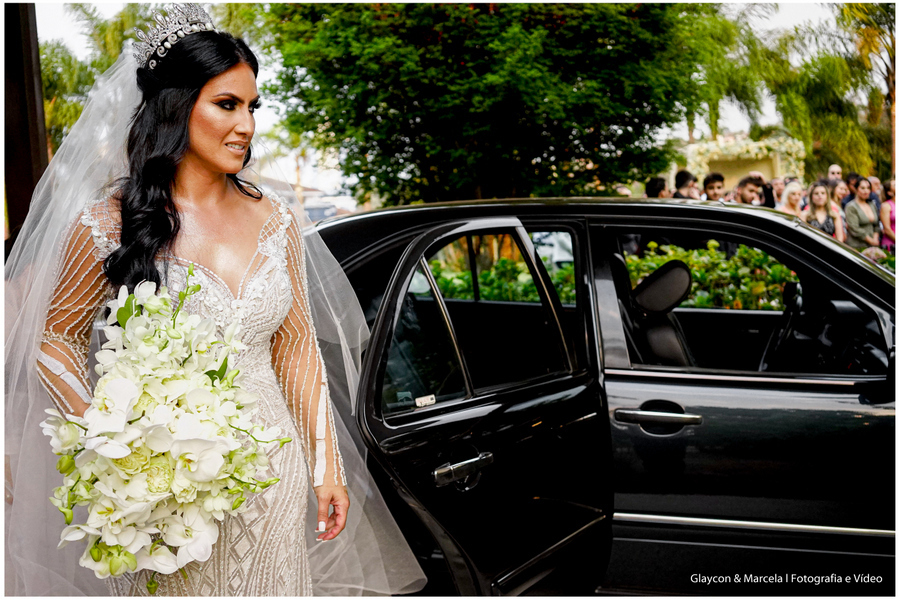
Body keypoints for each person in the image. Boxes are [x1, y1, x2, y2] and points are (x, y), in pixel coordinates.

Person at [4, 5, 426, 596]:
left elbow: (298, 345)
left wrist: (326, 462)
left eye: (252, 107)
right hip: (164, 496)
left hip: (271, 478)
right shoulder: (107, 224)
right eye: (227, 104)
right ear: (177, 108)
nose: (246, 125)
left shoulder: (276, 220)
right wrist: (113, 437)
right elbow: (56, 339)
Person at [844, 177, 881, 251]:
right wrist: (870, 240)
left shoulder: (871, 204)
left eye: (868, 188)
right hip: (857, 246)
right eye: (862, 188)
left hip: (872, 245)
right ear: (856, 189)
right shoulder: (851, 206)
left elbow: (876, 224)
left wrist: (875, 238)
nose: (866, 191)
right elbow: (854, 229)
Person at [880, 180, 895, 254]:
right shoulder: (886, 206)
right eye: (895, 185)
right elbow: (887, 229)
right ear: (890, 193)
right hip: (891, 243)